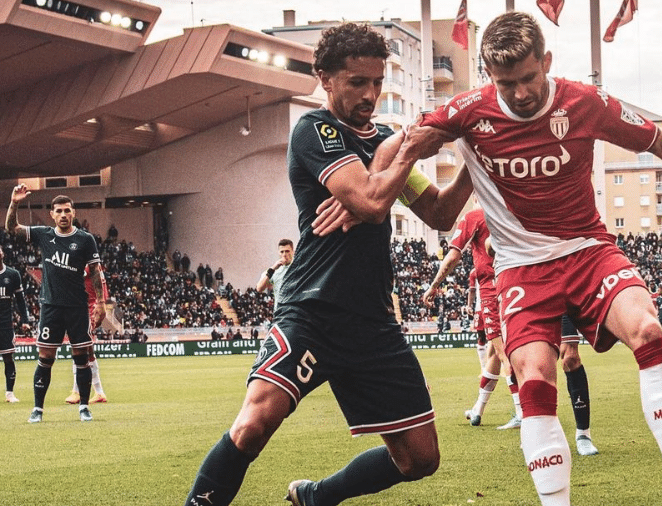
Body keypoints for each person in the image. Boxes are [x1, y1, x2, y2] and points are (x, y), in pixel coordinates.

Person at [387, 12, 662, 506]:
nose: (521, 92)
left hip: (588, 249)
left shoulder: (584, 102)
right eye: (507, 83)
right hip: (521, 268)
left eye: (529, 77)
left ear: (546, 61)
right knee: (535, 377)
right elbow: (398, 151)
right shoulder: (465, 111)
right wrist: (368, 197)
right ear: (488, 76)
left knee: (649, 329)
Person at [183, 22, 454, 506]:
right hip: (313, 309)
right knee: (252, 425)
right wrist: (405, 155)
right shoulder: (315, 130)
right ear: (324, 78)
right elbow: (371, 204)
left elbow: (439, 212)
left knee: (419, 459)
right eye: (357, 83)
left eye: (377, 82)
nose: (370, 94)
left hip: (372, 322)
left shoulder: (385, 142)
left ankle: (318, 496)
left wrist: (476, 160)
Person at [6, 188, 104, 423]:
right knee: (45, 357)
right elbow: (13, 229)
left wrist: (101, 302)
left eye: (67, 210)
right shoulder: (43, 234)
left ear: (73, 213)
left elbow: (95, 272)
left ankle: (83, 407)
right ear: (52, 214)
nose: (63, 214)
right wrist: (13, 203)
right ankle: (38, 409)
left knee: (82, 356)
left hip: (78, 307)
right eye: (58, 211)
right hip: (51, 306)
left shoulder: (85, 239)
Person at [422, 208, 522, 430]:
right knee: (495, 352)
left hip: (491, 288)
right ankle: (478, 409)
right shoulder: (512, 210)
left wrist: (433, 286)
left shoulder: (475, 216)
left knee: (503, 353)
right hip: (516, 285)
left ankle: (521, 411)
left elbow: (453, 255)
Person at [64, 264, 110, 404]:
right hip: (80, 306)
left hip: (89, 306)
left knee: (79, 347)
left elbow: (99, 284)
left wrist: (100, 302)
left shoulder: (89, 262)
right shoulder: (86, 260)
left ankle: (77, 391)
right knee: (86, 350)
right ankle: (98, 392)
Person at [559, 315, 599, 456]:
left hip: (559, 300)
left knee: (571, 359)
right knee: (537, 364)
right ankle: (536, 429)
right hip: (527, 300)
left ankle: (583, 434)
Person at [0, 247, 32, 403]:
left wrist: (25, 320)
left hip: (5, 325)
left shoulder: (12, 275)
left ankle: (9, 393)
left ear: (2, 254)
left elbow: (20, 300)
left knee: (8, 359)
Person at [255, 239, 294, 311]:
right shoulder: (273, 270)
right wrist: (272, 269)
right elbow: (259, 289)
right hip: (280, 313)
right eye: (282, 252)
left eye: (287, 251)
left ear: (293, 252)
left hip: (296, 312)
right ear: (278, 253)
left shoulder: (299, 267)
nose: (284, 254)